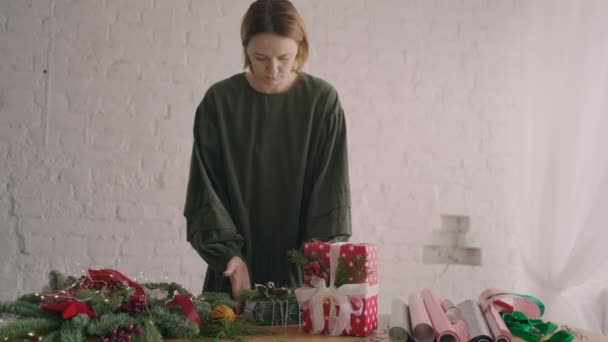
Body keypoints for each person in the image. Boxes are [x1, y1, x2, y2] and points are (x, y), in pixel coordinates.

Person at [183, 0, 351, 298]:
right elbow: (205, 194)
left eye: (284, 58)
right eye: (260, 57)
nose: (272, 70)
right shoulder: (219, 103)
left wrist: (315, 263)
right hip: (233, 277)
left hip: (302, 281)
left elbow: (331, 196)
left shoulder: (322, 103)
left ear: (300, 49)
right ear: (245, 48)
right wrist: (229, 257)